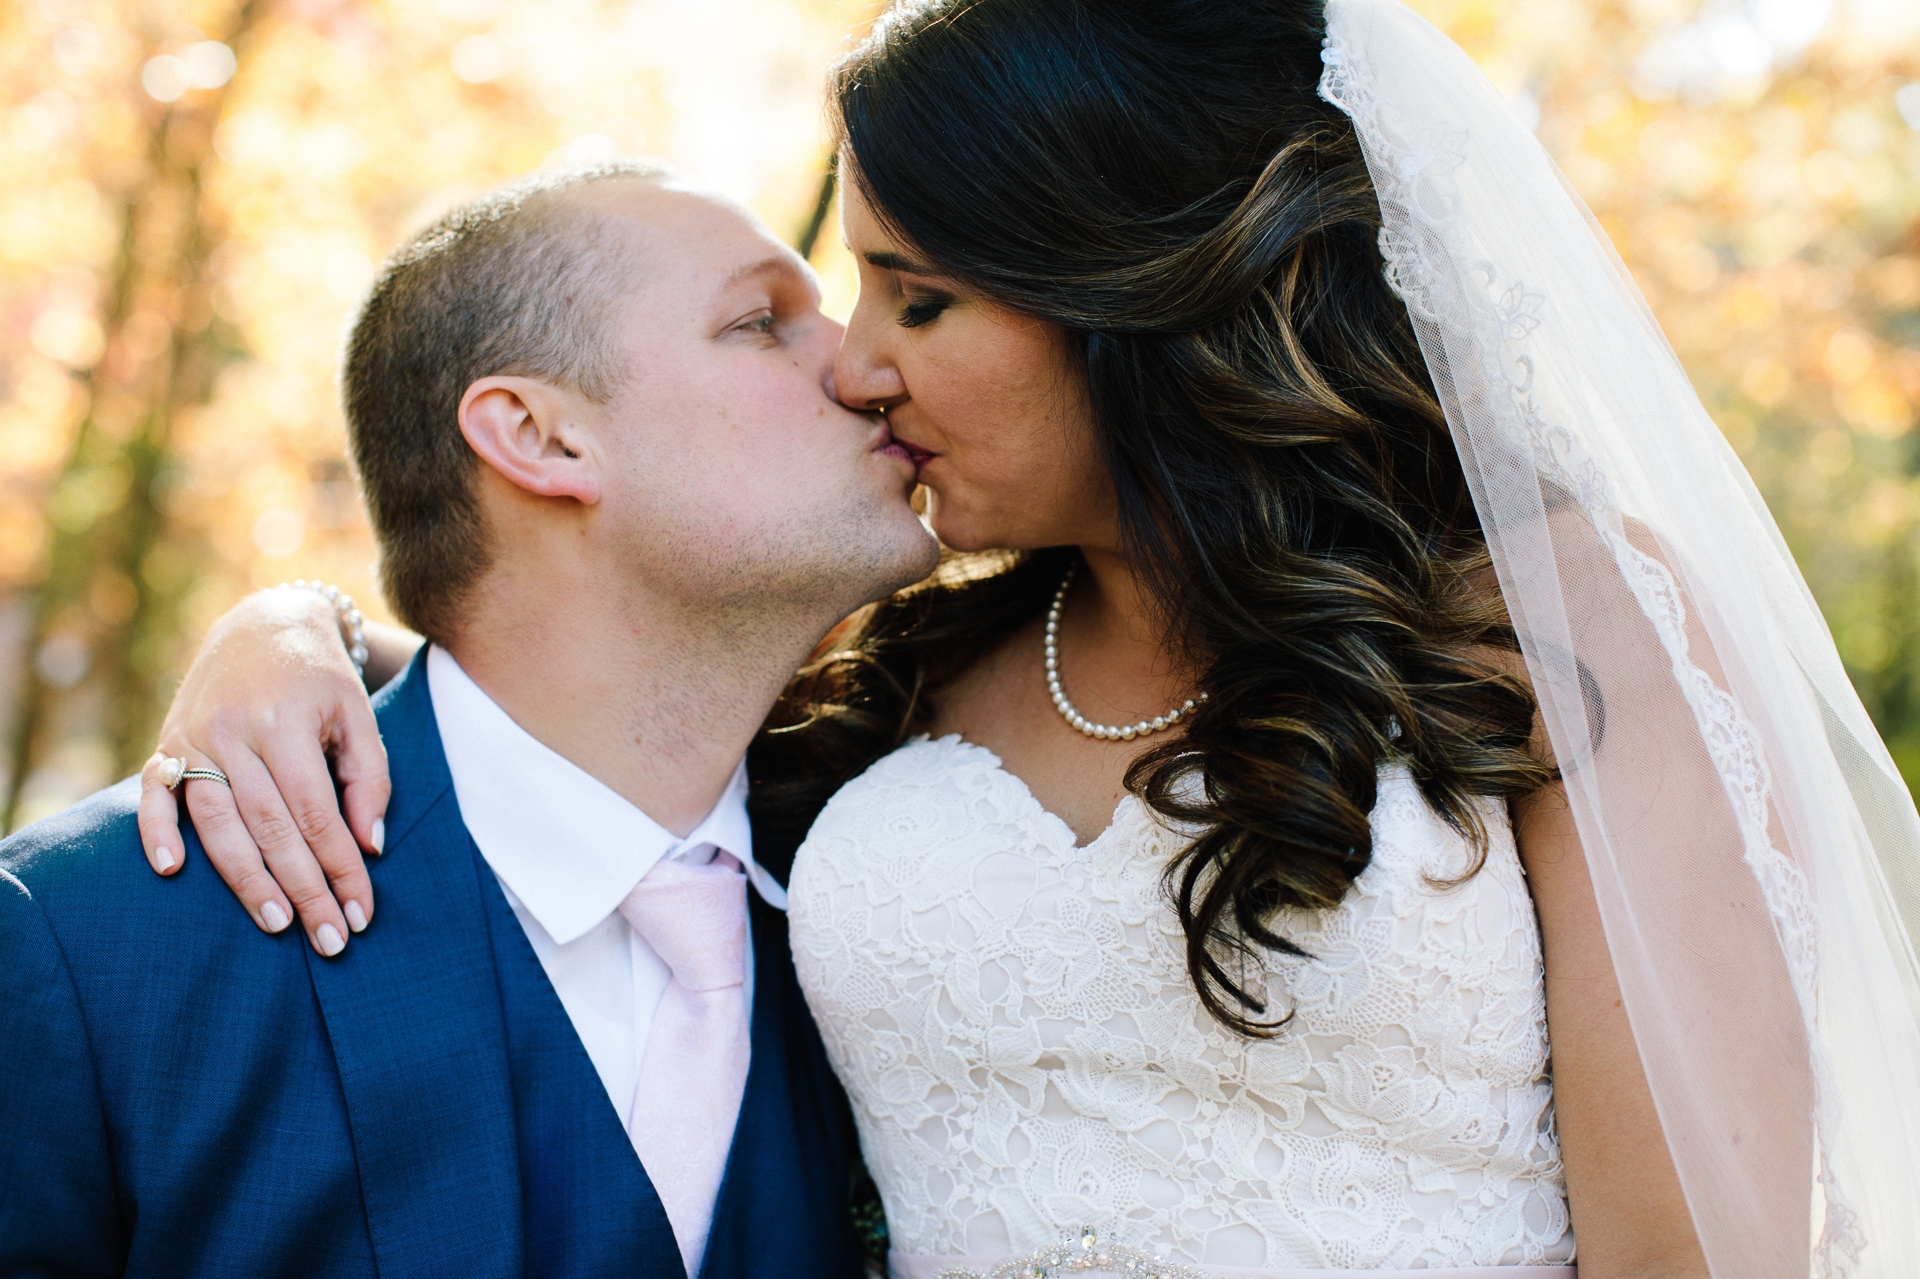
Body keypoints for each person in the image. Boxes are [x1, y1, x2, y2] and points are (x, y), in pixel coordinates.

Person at [130, 0, 1920, 1276]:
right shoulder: (884, 681)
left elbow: (1698, 1248)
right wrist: (284, 633)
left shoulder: (1552, 618)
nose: (857, 359)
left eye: (917, 293)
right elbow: (569, 716)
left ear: (1124, 291)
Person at [0, 161, 936, 1276]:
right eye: (761, 322)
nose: (868, 362)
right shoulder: (84, 944)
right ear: (539, 438)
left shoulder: (912, 896)